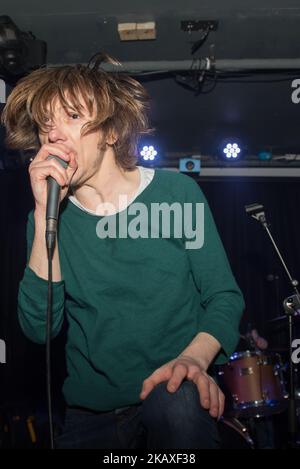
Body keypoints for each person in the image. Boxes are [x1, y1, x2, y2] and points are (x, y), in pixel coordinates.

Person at [1, 54, 244, 449]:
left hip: (172, 386)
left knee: (177, 406)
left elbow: (223, 297)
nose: (55, 135)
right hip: (92, 412)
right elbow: (38, 328)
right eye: (47, 126)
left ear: (111, 132)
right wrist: (46, 212)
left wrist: (194, 360)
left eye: (73, 117)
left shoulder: (176, 194)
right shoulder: (47, 219)